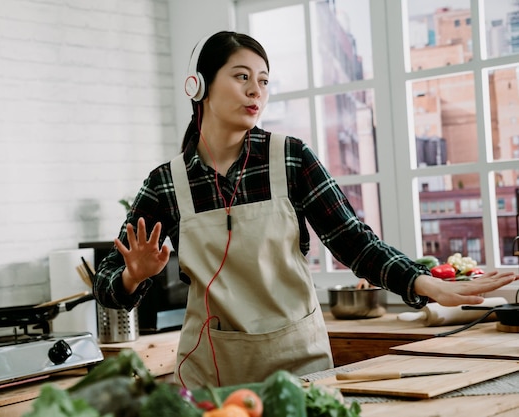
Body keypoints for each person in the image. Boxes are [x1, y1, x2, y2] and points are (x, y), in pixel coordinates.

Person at [93, 31, 517, 389]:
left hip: (298, 362)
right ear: (199, 87)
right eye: (241, 77)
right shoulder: (168, 182)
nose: (255, 90)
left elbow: (353, 241)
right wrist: (133, 275)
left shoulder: (290, 158)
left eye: (263, 80)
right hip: (210, 375)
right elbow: (107, 283)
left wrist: (424, 283)